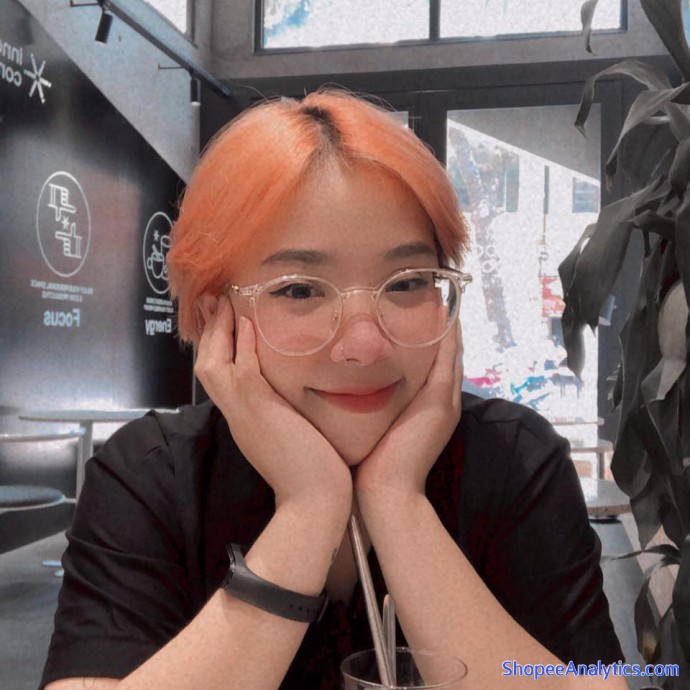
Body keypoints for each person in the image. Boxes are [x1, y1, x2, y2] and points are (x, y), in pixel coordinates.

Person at [41, 89, 625, 690]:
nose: (365, 345)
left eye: (407, 283)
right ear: (217, 318)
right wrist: (309, 506)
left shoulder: (513, 459)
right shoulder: (152, 476)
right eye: (300, 290)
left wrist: (398, 500)